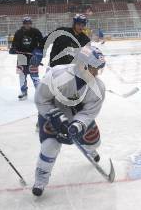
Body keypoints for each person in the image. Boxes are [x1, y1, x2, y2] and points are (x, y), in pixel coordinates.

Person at [32, 45, 106, 196]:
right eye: (94, 68)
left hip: (76, 114)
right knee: (50, 146)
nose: (97, 72)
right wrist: (55, 116)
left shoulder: (98, 87)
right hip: (52, 112)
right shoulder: (56, 75)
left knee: (94, 140)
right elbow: (41, 100)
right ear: (82, 65)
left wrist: (77, 125)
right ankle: (40, 180)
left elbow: (89, 112)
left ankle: (91, 150)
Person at [9, 16, 44, 100]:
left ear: (31, 24)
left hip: (33, 57)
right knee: (22, 75)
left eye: (29, 23)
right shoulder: (18, 33)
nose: (27, 25)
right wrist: (13, 49)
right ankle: (24, 92)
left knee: (34, 75)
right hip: (21, 57)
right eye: (26, 23)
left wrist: (38, 52)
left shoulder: (36, 32)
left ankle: (39, 94)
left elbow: (42, 43)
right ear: (23, 24)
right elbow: (14, 44)